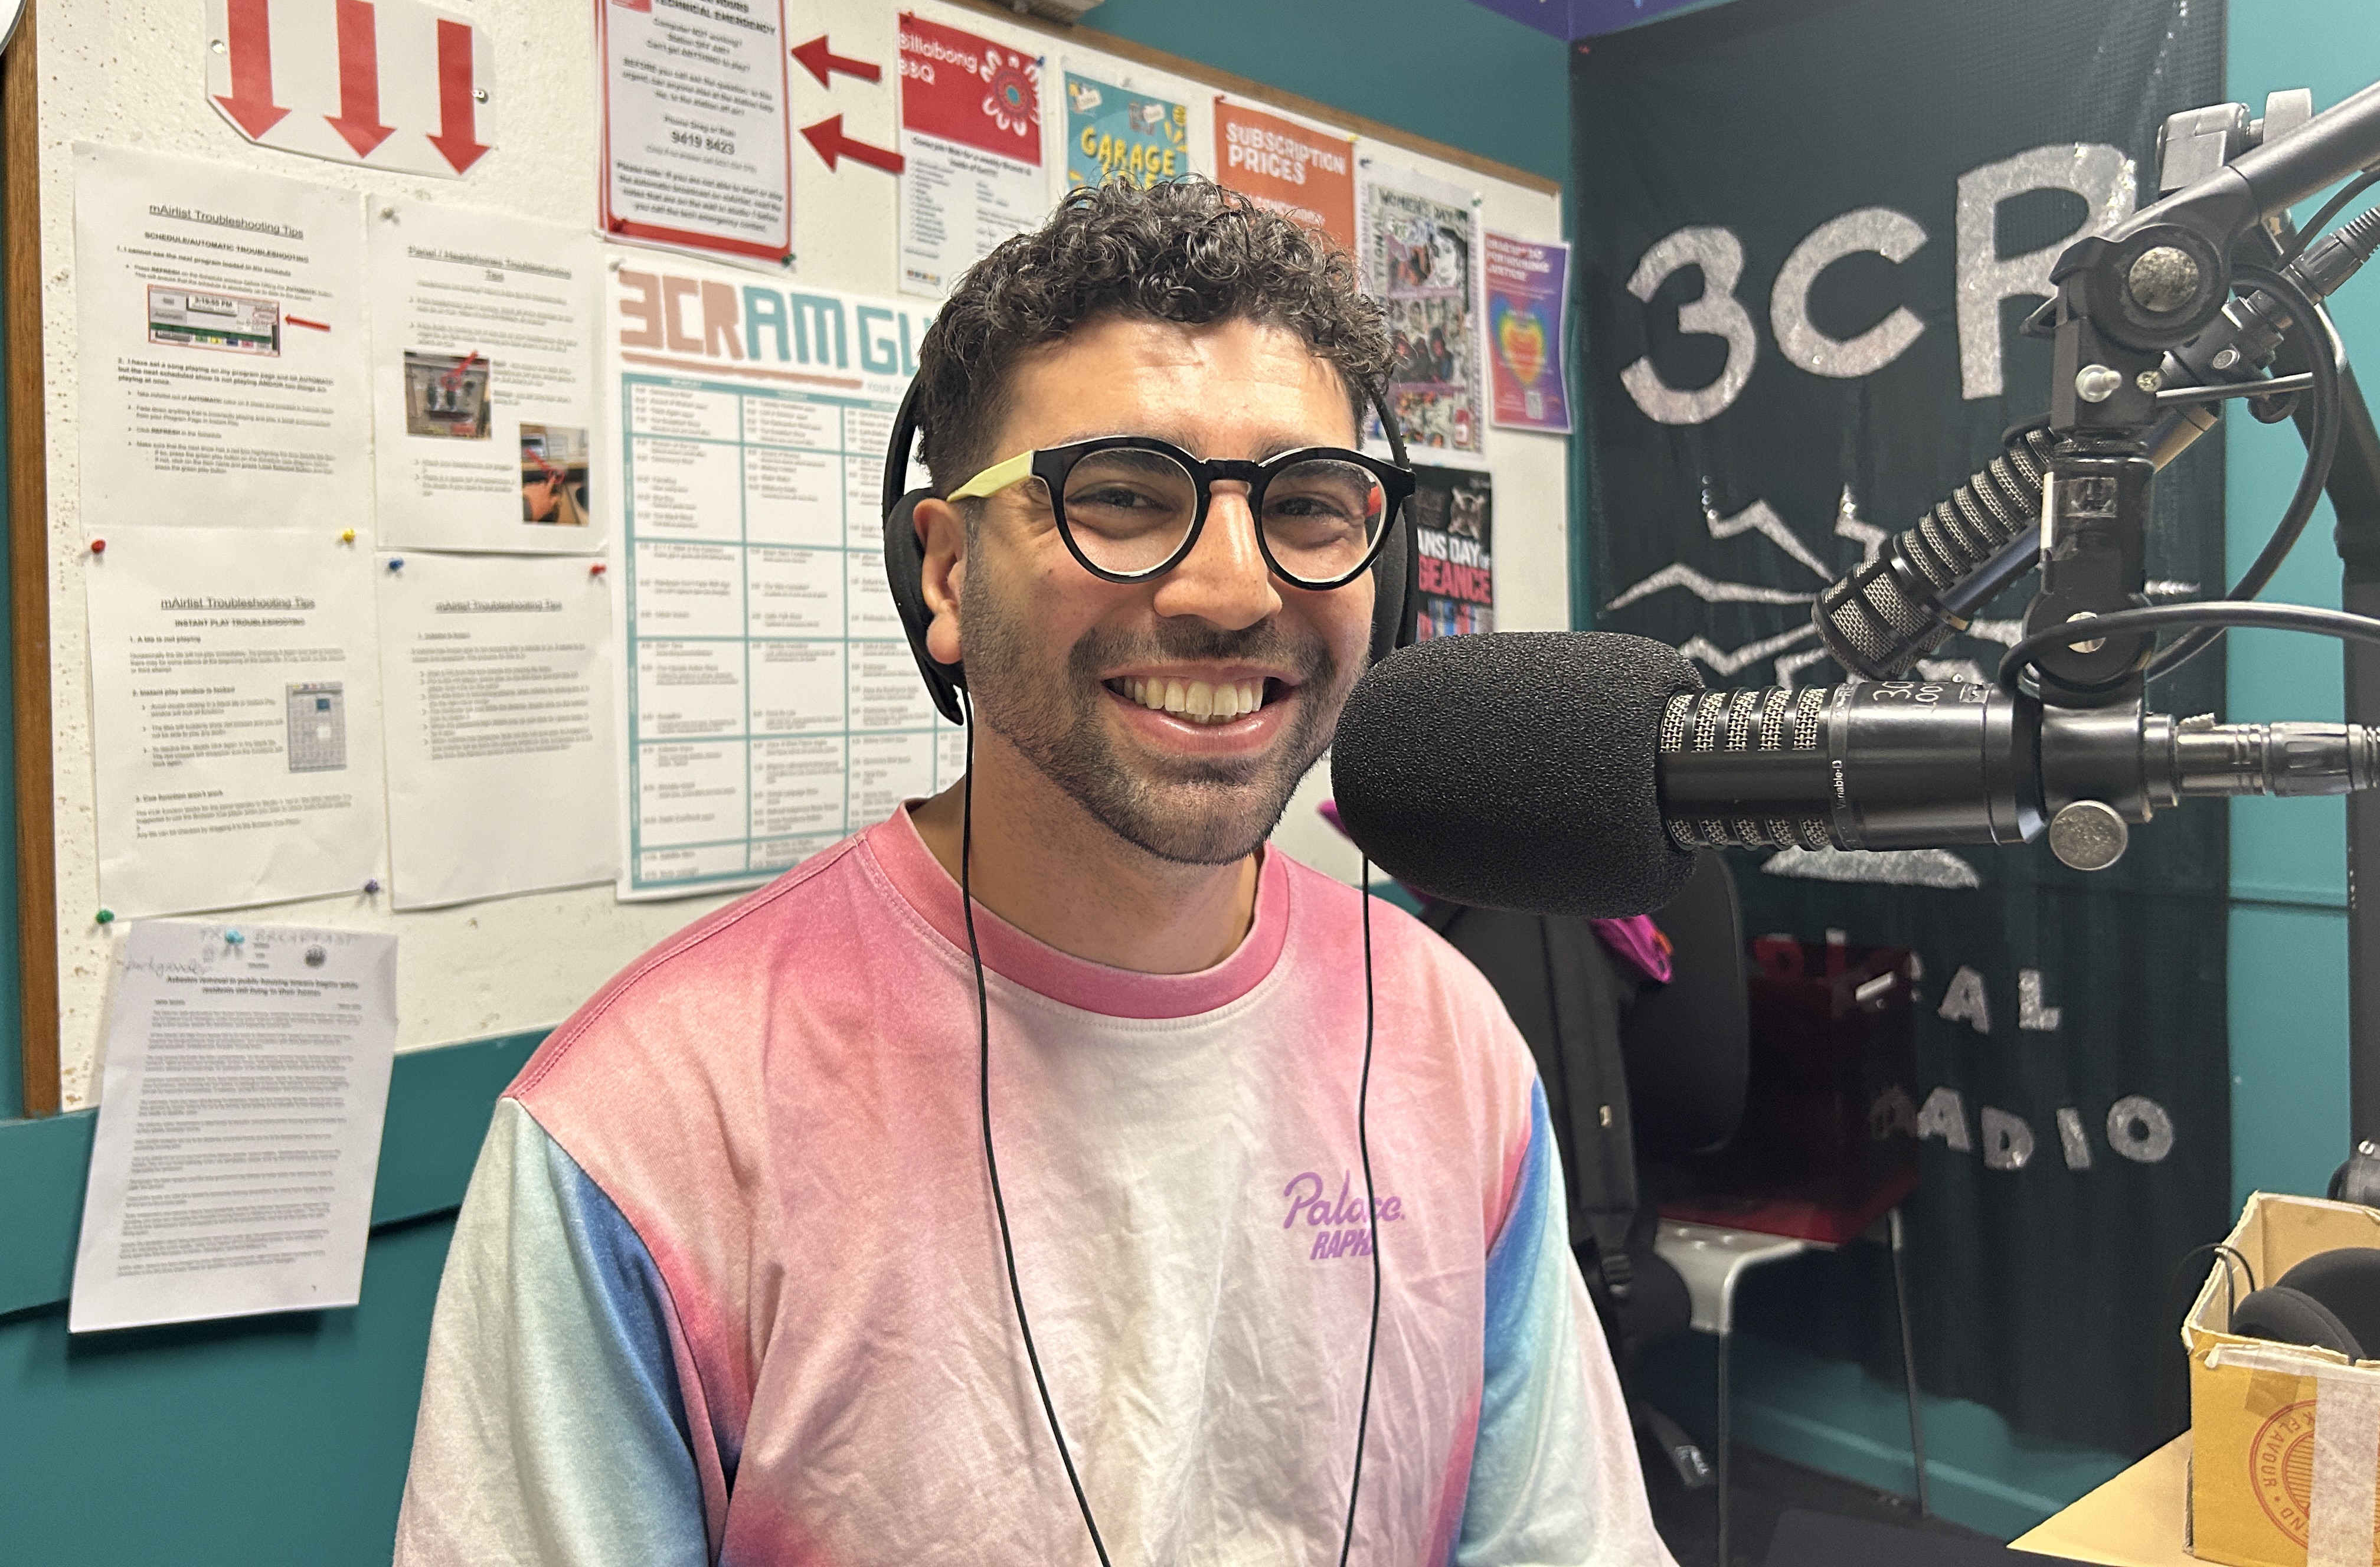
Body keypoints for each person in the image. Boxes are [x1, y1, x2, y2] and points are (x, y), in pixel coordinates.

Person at [393, 179, 1672, 1566]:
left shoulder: (1447, 1041)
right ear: (942, 576)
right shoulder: (648, 1128)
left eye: (1307, 506)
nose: (1234, 591)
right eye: (1121, 497)